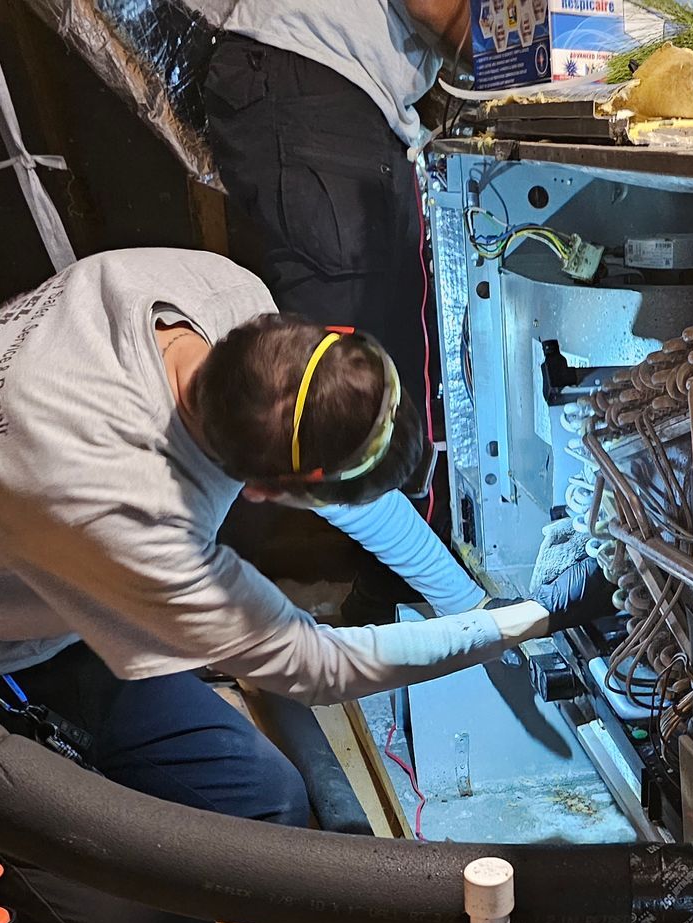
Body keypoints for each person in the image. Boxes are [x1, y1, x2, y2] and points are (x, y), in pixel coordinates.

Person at [0, 247, 608, 923]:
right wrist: (532, 616)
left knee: (266, 813)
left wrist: (472, 610)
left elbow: (347, 484)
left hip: (30, 598)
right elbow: (318, 666)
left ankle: (50, 781)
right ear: (260, 493)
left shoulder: (221, 300)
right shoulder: (123, 506)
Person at [205, 0, 469, 625]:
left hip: (326, 88)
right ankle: (217, 607)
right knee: (333, 406)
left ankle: (396, 599)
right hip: (317, 74)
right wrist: (516, 61)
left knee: (377, 383)